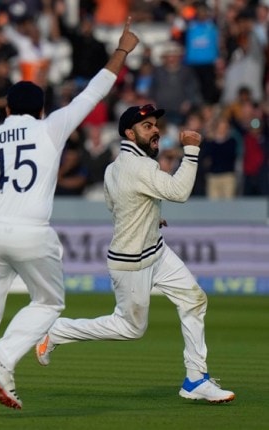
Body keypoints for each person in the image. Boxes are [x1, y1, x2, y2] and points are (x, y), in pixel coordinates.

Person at [0, 18, 140, 419]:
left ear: (7, 109)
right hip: (31, 232)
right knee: (48, 301)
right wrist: (122, 50)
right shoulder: (50, 128)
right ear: (41, 109)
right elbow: (94, 91)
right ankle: (3, 361)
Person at [36, 104, 236, 404]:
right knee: (130, 328)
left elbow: (116, 204)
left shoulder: (114, 168)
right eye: (147, 127)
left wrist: (149, 217)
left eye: (155, 125)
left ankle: (196, 379)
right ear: (130, 134)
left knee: (194, 299)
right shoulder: (141, 167)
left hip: (156, 249)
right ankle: (57, 331)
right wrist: (192, 151)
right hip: (132, 261)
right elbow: (179, 192)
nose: (155, 131)